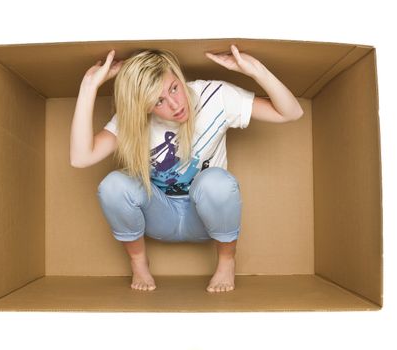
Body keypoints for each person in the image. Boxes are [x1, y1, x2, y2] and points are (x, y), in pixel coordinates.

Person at [70, 44, 303, 293]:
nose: (175, 104)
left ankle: (226, 261)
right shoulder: (134, 119)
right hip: (158, 217)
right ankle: (138, 262)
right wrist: (88, 87)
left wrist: (257, 71)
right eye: (159, 101)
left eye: (174, 88)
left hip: (204, 218)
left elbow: (291, 113)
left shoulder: (215, 96)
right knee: (113, 185)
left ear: (179, 77)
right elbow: (80, 158)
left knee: (217, 181)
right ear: (144, 106)